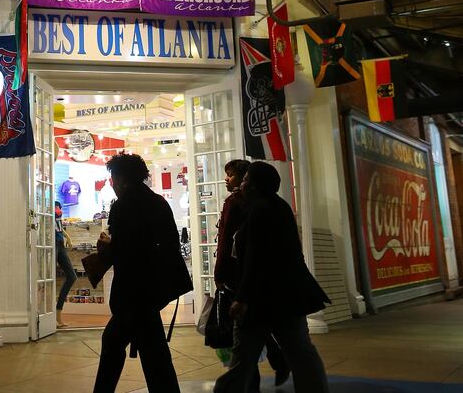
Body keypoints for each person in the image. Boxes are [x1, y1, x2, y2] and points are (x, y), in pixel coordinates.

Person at [214, 162, 330, 393]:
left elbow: (256, 259)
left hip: (262, 299)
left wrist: (242, 298)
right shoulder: (278, 207)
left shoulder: (259, 212)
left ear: (254, 185)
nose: (241, 184)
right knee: (300, 350)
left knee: (243, 356)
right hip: (287, 296)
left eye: (245, 180)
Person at [93, 153, 193, 393]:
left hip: (132, 291)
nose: (112, 183)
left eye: (113, 178)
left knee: (119, 344)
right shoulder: (158, 202)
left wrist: (107, 247)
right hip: (153, 289)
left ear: (122, 178)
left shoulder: (123, 206)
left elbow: (127, 251)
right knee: (151, 349)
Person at [214, 160, 290, 390]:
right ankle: (273, 363)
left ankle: (247, 381)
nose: (227, 179)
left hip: (238, 277)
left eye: (233, 175)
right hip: (252, 278)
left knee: (245, 330)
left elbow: (228, 240)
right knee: (254, 328)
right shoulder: (267, 205)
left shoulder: (236, 203)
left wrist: (219, 272)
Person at [55, 201, 77, 328]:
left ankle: (58, 314)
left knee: (72, 276)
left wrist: (68, 237)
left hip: (60, 244)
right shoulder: (49, 204)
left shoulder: (56, 204)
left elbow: (58, 226)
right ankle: (44, 315)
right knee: (48, 278)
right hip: (51, 243)